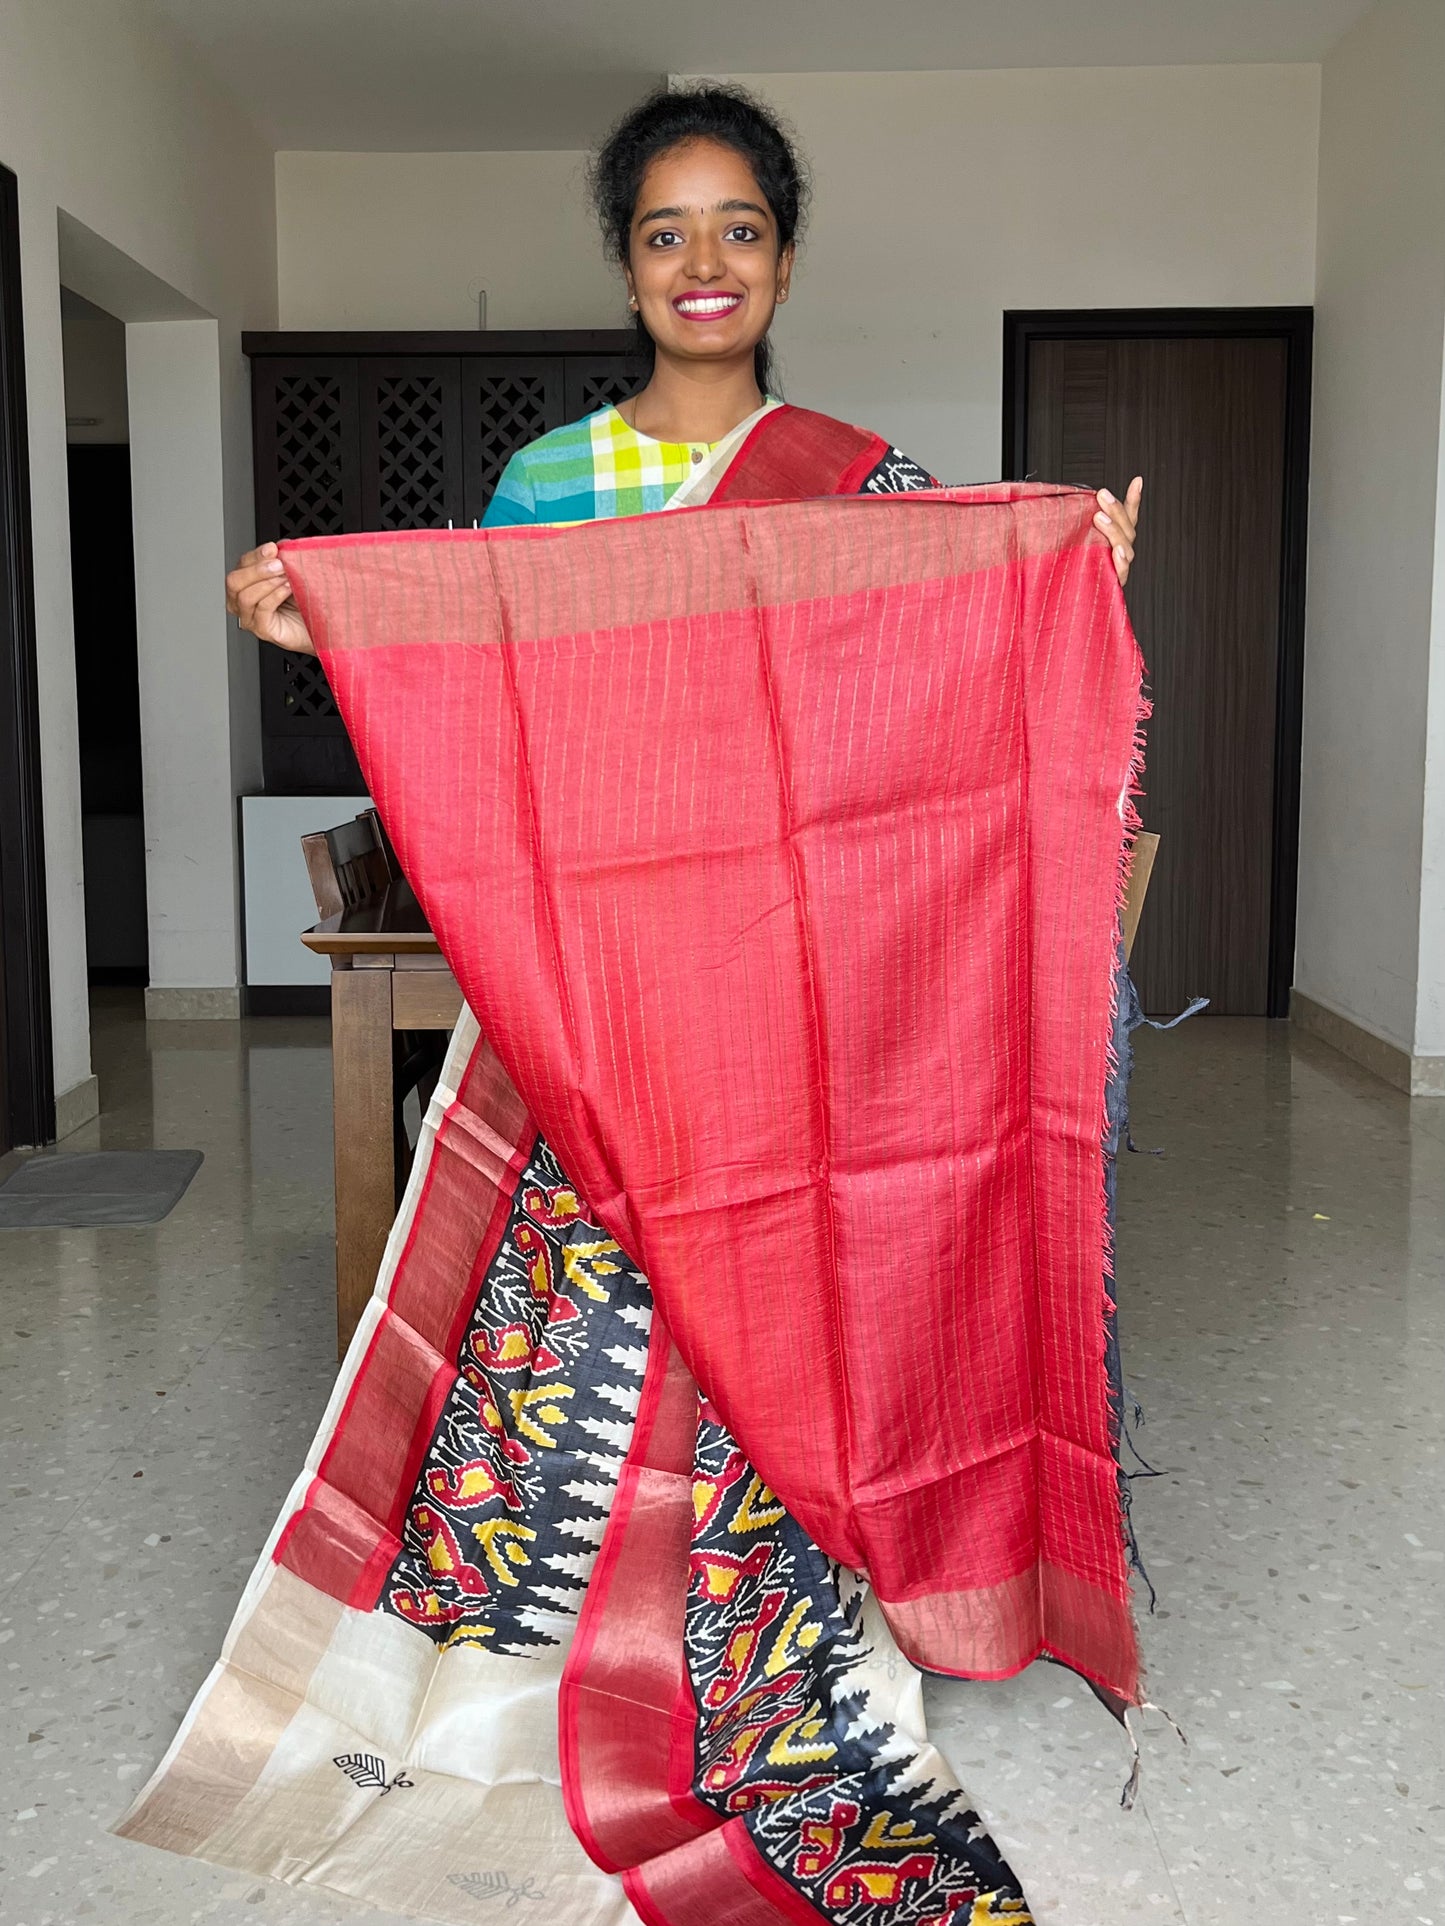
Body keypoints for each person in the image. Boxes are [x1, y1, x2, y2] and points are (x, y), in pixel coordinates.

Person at [210, 85, 1147, 1926]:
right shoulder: (545, 489)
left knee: (779, 1322)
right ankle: (555, 1661)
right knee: (574, 1337)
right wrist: (338, 627)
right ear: (623, 263)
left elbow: (924, 724)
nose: (701, 262)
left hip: (787, 1013)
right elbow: (479, 718)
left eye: (736, 228)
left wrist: (1062, 588)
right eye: (664, 231)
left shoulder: (871, 483)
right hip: (590, 994)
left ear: (784, 257)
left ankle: (781, 1648)